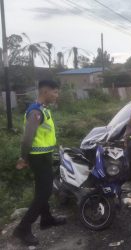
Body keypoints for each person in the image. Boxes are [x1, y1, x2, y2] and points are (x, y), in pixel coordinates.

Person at [13, 80, 66, 246]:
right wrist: (24, 158)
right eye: (55, 92)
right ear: (45, 92)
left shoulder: (43, 109)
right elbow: (27, 139)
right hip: (38, 157)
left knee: (42, 189)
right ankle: (23, 228)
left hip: (44, 155)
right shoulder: (35, 112)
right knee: (44, 192)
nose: (57, 95)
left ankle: (47, 218)